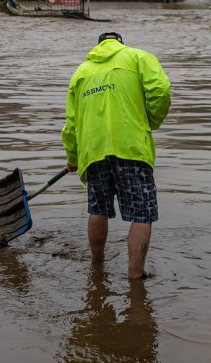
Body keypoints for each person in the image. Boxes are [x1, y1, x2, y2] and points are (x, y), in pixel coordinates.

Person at [62, 32, 171, 279]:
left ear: (98, 45)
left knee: (98, 209)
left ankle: (97, 267)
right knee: (143, 213)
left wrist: (74, 156)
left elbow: (71, 124)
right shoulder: (138, 57)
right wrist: (151, 121)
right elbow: (161, 90)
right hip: (131, 148)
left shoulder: (81, 72)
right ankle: (135, 275)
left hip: (93, 152)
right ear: (121, 43)